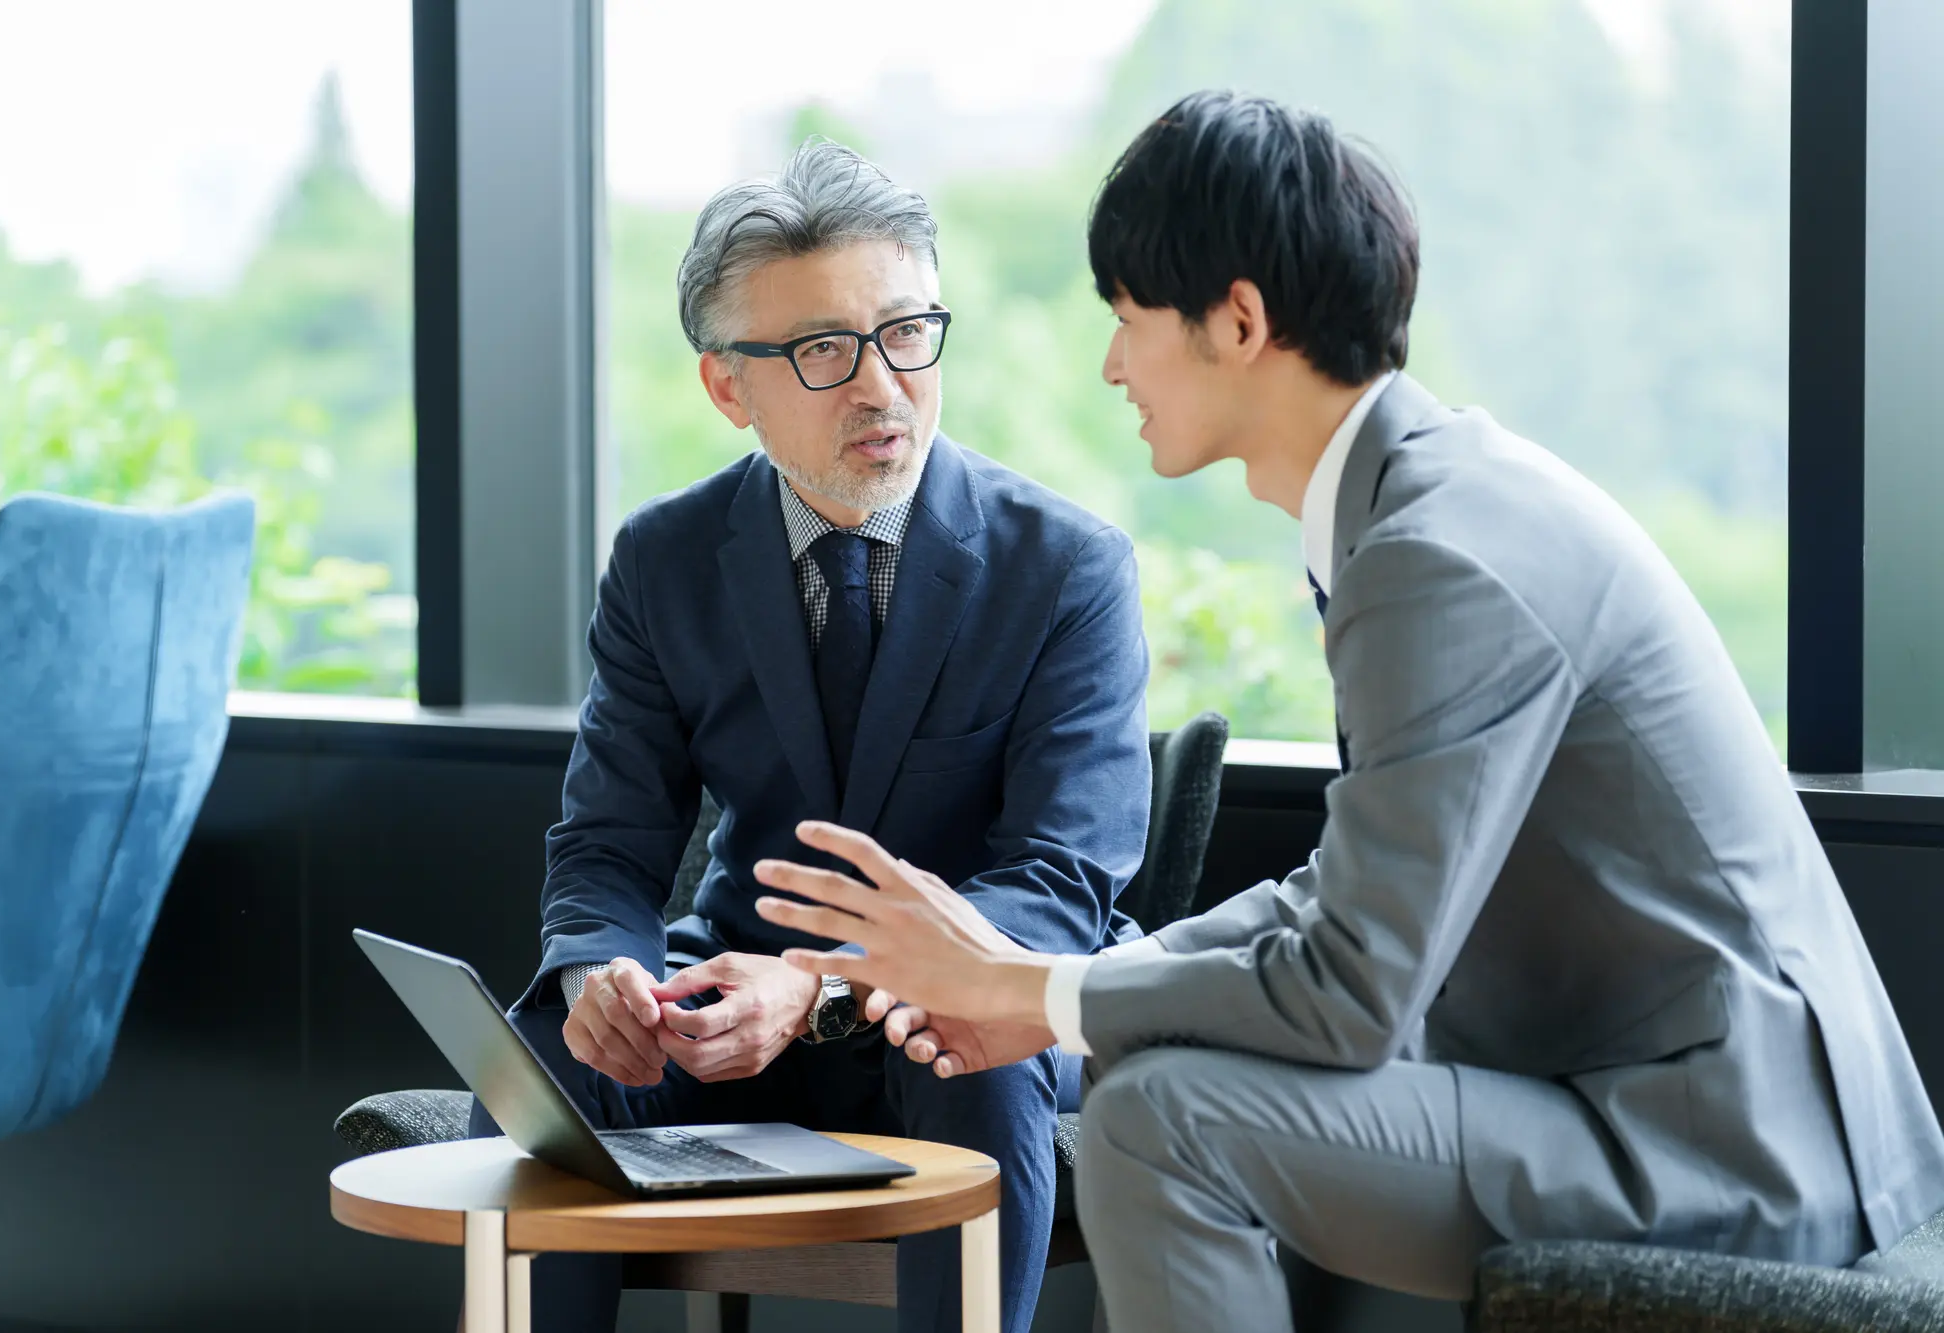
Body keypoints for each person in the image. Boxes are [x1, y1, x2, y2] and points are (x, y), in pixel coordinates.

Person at [752, 92, 1944, 1332]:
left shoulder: (1436, 554)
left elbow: (1348, 990)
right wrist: (1040, 989)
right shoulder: (1423, 503)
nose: (1110, 365)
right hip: (1654, 1097)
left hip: (1728, 1150)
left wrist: (1032, 993)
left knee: (1159, 1120)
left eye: (1125, 318)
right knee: (1151, 1079)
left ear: (1238, 321)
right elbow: (1341, 895)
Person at [467, 138, 1152, 1333]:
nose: (881, 385)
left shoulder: (1065, 567)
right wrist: (604, 977)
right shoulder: (665, 559)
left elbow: (1058, 883)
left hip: (974, 1003)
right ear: (726, 387)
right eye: (825, 350)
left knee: (966, 1054)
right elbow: (607, 842)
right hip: (734, 996)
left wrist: (821, 985)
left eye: (906, 333)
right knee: (541, 1065)